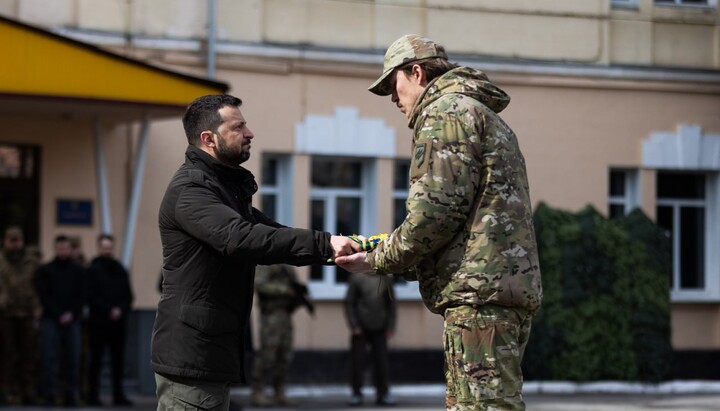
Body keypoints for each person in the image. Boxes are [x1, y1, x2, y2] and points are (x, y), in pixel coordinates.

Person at [335, 34, 543, 411]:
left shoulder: (445, 113)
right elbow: (459, 218)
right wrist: (379, 247)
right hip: (496, 292)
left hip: (476, 300)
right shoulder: (479, 113)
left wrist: (377, 260)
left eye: (393, 85)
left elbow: (433, 216)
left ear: (416, 73)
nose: (393, 98)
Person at [151, 94, 360, 411]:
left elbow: (273, 233)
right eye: (238, 127)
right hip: (192, 358)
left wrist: (337, 248)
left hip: (209, 353)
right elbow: (242, 238)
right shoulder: (191, 190)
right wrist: (325, 244)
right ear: (209, 139)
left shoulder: (222, 188)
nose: (249, 133)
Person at [250, 264, 313, 407]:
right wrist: (284, 290)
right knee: (267, 355)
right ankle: (257, 391)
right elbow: (259, 284)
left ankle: (279, 391)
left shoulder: (287, 265)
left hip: (285, 314)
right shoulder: (267, 262)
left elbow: (294, 284)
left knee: (284, 356)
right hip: (271, 316)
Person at [35, 234, 85, 407]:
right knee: (49, 359)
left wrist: (71, 313)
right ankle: (49, 395)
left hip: (72, 320)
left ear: (70, 249)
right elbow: (43, 295)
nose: (63, 251)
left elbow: (82, 294)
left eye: (65, 248)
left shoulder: (78, 271)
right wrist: (58, 314)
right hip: (51, 320)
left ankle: (70, 395)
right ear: (55, 248)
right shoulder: (45, 270)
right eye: (60, 248)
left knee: (72, 360)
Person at [85, 234, 134, 407]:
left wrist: (120, 309)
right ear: (99, 248)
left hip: (118, 323)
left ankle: (118, 395)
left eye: (110, 247)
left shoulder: (120, 269)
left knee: (117, 361)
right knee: (96, 360)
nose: (107, 250)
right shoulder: (92, 270)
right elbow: (90, 296)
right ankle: (93, 396)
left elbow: (128, 295)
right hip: (98, 322)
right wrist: (108, 310)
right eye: (104, 247)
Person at [0, 226, 42, 406]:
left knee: (28, 355)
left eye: (17, 240)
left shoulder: (32, 262)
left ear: (22, 242)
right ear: (5, 242)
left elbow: (40, 286)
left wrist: (38, 306)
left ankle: (28, 391)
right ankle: (5, 392)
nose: (15, 244)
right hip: (5, 314)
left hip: (27, 313)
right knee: (6, 355)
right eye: (11, 240)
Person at [344, 273, 396, 407]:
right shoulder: (357, 278)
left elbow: (391, 304)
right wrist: (354, 325)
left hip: (380, 327)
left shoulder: (385, 278)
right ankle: (356, 393)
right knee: (357, 362)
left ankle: (383, 394)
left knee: (381, 362)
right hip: (361, 328)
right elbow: (349, 303)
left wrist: (390, 326)